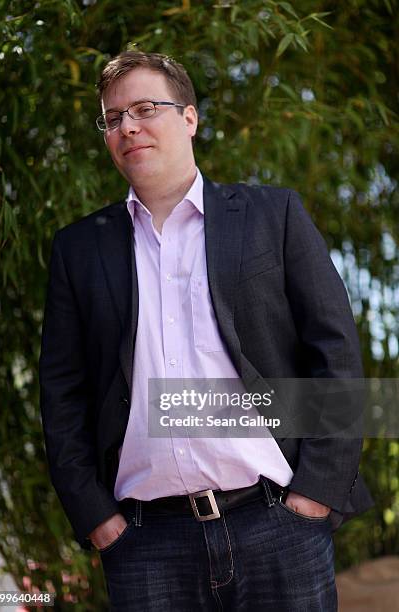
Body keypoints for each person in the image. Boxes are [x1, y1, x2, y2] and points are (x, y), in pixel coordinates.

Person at [39, 51, 373, 611]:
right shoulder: (78, 249)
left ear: (190, 117)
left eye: (146, 108)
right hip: (146, 544)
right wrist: (99, 520)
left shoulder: (274, 215)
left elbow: (335, 350)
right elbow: (62, 394)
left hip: (278, 526)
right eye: (113, 117)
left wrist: (315, 494)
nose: (128, 127)